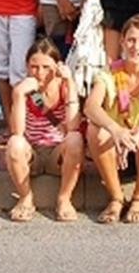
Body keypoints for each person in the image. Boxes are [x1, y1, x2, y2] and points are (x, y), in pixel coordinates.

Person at [83, 15, 139, 224]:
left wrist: (136, 135)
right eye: (131, 40)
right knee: (94, 130)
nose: (136, 47)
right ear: (122, 41)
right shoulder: (108, 73)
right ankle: (116, 198)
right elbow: (90, 106)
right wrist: (116, 131)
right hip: (118, 151)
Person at [5, 38, 83, 222]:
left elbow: (72, 126)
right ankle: (25, 197)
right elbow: (17, 131)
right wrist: (18, 95)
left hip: (57, 152)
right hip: (32, 152)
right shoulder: (25, 90)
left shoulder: (64, 87)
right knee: (15, 143)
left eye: (46, 67)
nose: (40, 73)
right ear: (27, 67)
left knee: (75, 139)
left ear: (57, 66)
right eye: (34, 67)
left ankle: (64, 199)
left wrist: (70, 83)